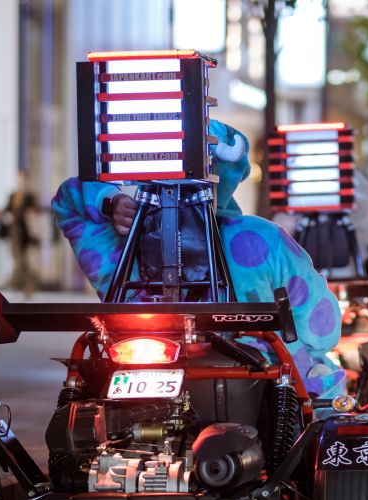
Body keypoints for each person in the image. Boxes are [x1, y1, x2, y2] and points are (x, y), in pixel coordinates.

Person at [50, 120, 345, 400]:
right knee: (326, 392)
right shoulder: (262, 238)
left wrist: (110, 201)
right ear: (229, 175)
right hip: (257, 386)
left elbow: (67, 201)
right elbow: (322, 331)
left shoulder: (121, 243)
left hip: (138, 365)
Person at [4, 169, 38, 296]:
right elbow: (7, 212)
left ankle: (19, 286)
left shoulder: (30, 196)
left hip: (27, 232)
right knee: (19, 260)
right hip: (15, 232)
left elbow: (34, 213)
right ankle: (21, 287)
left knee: (26, 261)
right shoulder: (13, 196)